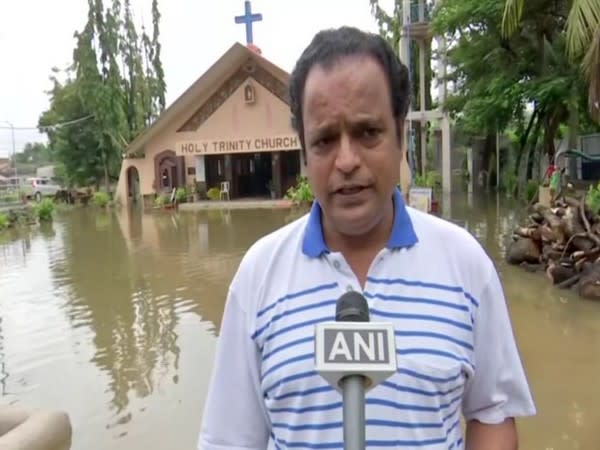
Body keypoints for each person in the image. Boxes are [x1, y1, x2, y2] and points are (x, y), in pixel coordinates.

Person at [198, 26, 536, 450]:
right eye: (324, 140)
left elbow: (492, 412)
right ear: (304, 152)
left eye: (367, 132)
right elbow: (229, 440)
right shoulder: (257, 278)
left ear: (400, 136)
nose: (346, 161)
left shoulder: (466, 265)